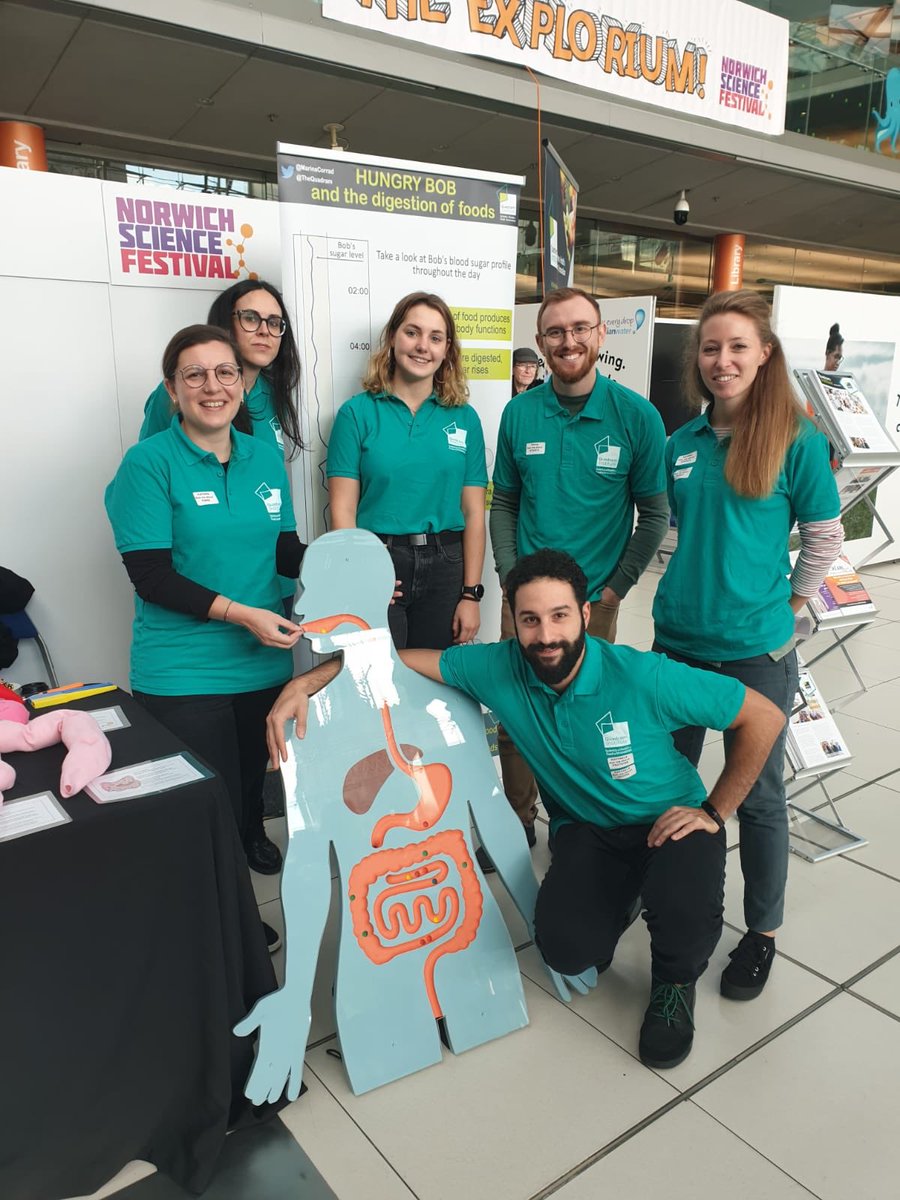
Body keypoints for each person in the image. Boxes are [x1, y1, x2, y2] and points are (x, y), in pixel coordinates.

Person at [266, 549, 785, 1069]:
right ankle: (623, 897)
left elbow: (762, 717)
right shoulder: (497, 666)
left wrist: (715, 812)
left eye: (560, 616)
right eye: (530, 620)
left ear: (584, 615)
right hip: (589, 829)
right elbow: (389, 660)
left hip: (671, 823)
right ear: (512, 621)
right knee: (563, 947)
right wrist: (304, 682)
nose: (545, 635)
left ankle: (674, 985)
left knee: (683, 907)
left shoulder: (644, 676)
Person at [652, 288, 843, 1002]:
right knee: (668, 782)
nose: (722, 360)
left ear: (765, 354)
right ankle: (668, 896)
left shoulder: (794, 441)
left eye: (737, 346)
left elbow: (824, 538)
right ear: (696, 360)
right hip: (677, 643)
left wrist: (790, 608)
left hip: (753, 654)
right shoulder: (681, 443)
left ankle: (760, 934)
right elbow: (685, 530)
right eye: (710, 348)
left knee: (756, 797)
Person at [105, 325, 305, 947]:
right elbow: (152, 576)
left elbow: (284, 549)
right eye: (194, 375)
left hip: (264, 666)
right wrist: (242, 613)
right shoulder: (147, 464)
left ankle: (232, 914)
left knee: (247, 792)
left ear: (243, 384)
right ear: (172, 389)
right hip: (182, 670)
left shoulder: (263, 458)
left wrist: (360, 568)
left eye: (225, 373)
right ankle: (225, 934)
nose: (212, 386)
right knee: (202, 808)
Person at [489, 286, 669, 841]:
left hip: (594, 604)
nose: (568, 341)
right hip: (522, 601)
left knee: (589, 715)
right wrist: (508, 578)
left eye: (579, 329)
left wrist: (612, 592)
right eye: (555, 332)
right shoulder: (519, 414)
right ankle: (518, 819)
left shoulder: (636, 416)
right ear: (540, 343)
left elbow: (655, 515)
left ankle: (578, 817)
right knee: (517, 715)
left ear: (600, 334)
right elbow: (506, 503)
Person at [327, 291, 487, 651]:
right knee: (378, 683)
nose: (422, 346)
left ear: (447, 350)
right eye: (412, 332)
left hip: (447, 566)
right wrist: (360, 575)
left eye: (435, 337)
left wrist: (471, 594)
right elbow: (343, 510)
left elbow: (475, 512)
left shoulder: (464, 418)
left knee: (434, 688)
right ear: (393, 338)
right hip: (378, 558)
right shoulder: (357, 414)